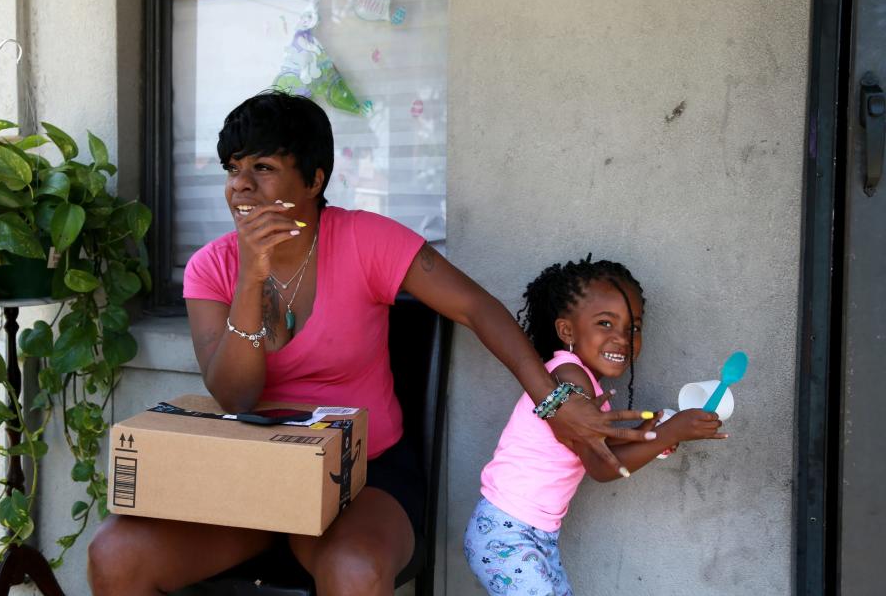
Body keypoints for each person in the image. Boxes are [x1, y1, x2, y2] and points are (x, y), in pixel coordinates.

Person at [88, 92, 656, 596]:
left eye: (262, 167)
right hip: (254, 474)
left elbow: (477, 308)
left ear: (313, 180)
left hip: (362, 476)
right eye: (233, 168)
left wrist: (554, 404)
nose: (240, 184)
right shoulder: (214, 266)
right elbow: (235, 395)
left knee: (355, 570)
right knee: (114, 556)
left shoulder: (365, 239)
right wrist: (251, 278)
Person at [464, 258, 728, 596]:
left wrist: (653, 436)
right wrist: (670, 432)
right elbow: (602, 467)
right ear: (567, 331)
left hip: (535, 533)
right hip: (506, 533)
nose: (622, 338)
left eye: (633, 327)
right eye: (606, 323)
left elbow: (602, 448)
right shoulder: (569, 376)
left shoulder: (585, 385)